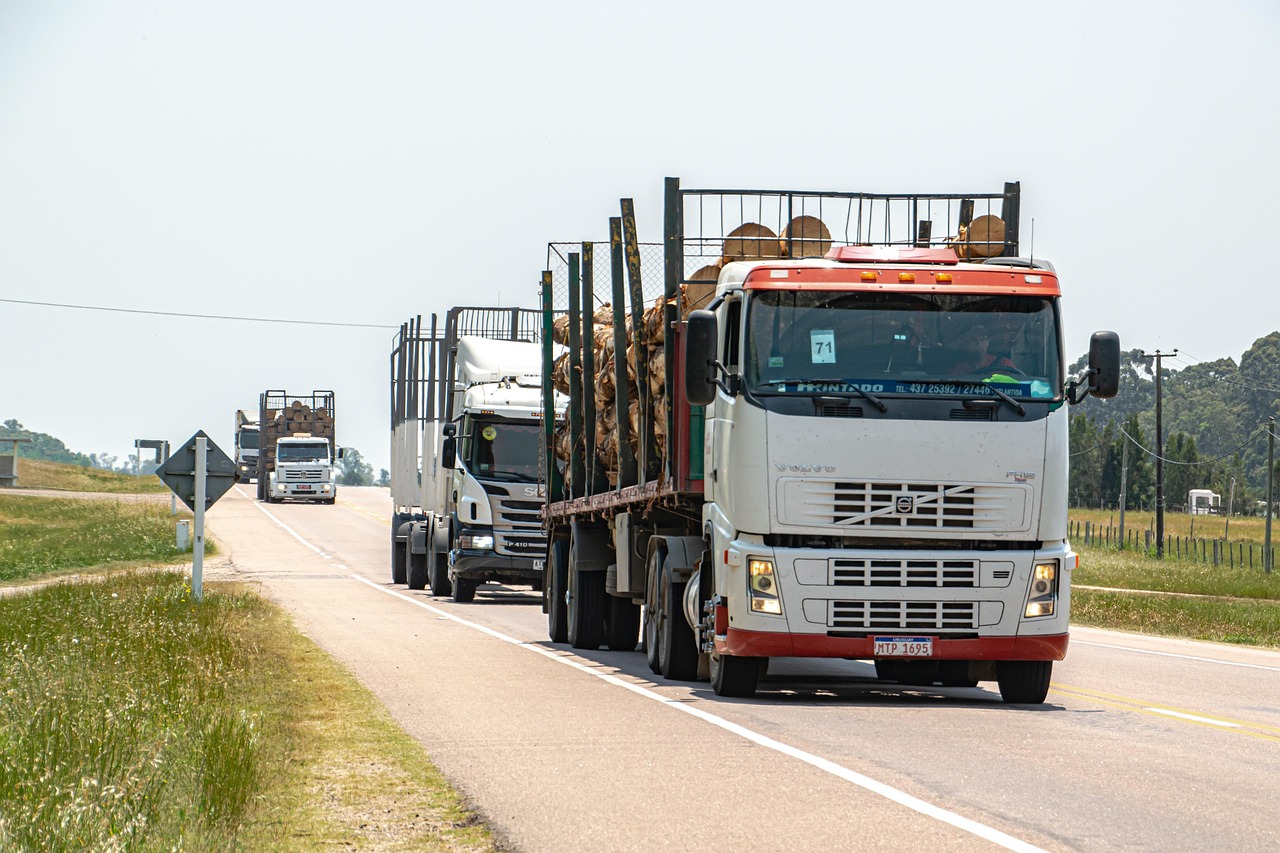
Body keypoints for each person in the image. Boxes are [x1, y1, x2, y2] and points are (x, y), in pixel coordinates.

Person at [950, 324, 1018, 374]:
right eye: (973, 340)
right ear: (967, 344)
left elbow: (1017, 387)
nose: (979, 344)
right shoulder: (959, 369)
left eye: (982, 339)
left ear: (988, 342)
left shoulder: (1005, 364)